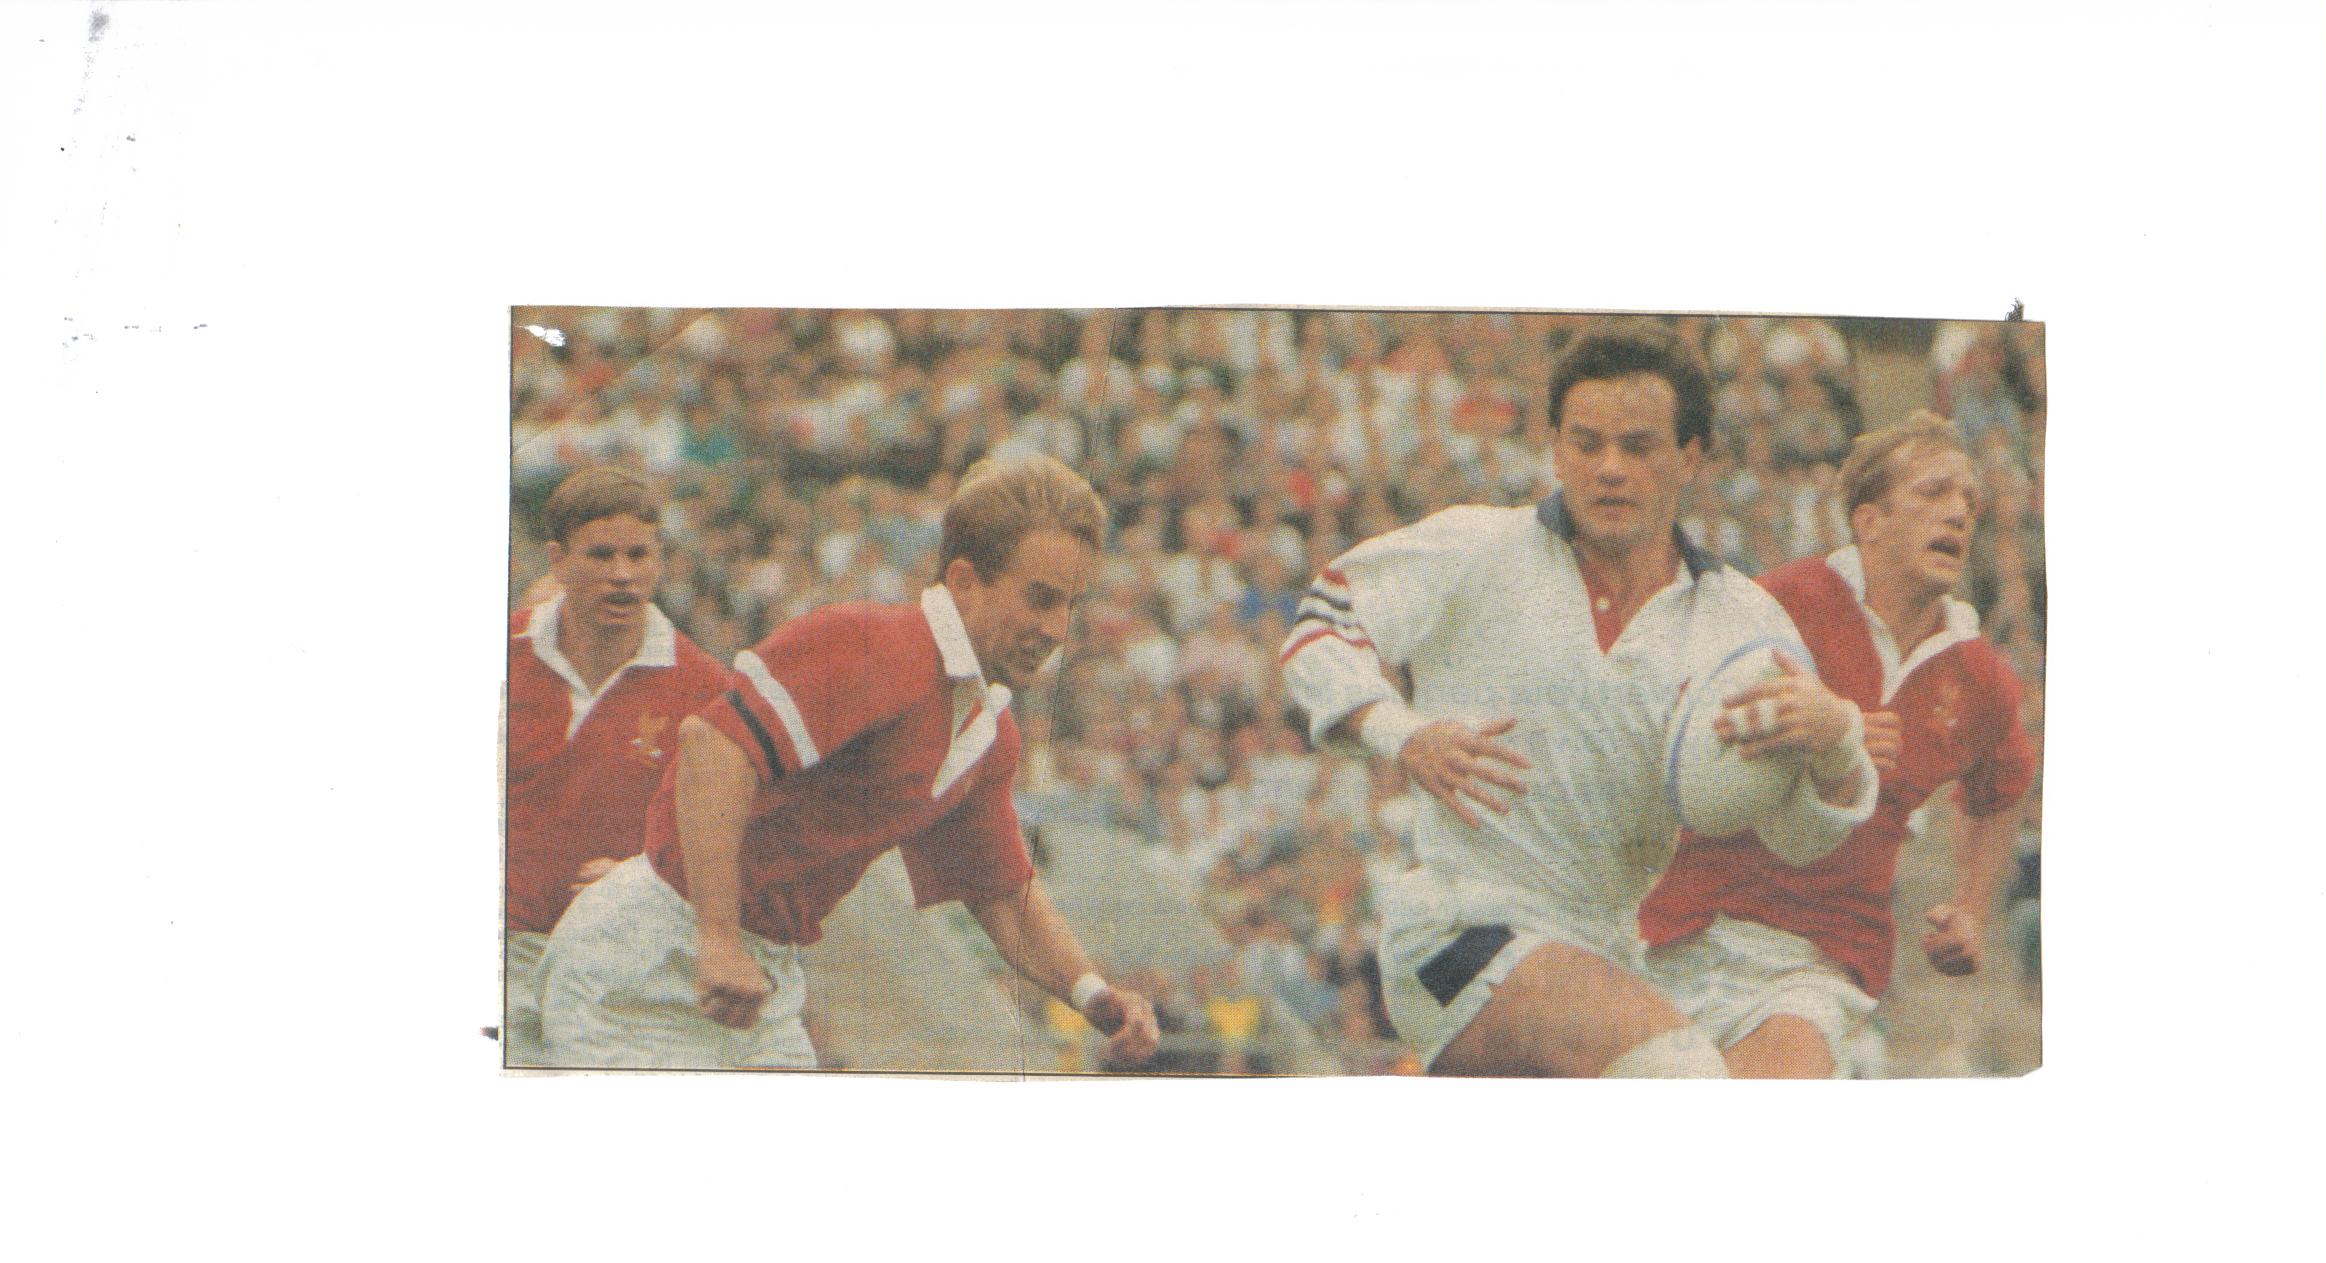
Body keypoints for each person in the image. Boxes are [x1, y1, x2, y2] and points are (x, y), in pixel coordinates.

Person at [1279, 331, 1878, 1077]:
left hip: (1611, 953)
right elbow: (1320, 623)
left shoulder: (1742, 624)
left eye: (1638, 446)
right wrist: (1402, 734)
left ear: (1690, 457)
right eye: (1587, 444)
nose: (1610, 468)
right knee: (1677, 1073)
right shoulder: (1476, 548)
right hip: (1457, 933)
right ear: (1556, 449)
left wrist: (1837, 742)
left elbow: (1798, 840)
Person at [539, 455, 1162, 1070]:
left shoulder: (988, 733)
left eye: (1070, 605)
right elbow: (713, 747)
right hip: (653, 957)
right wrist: (718, 937)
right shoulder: (875, 642)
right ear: (966, 582)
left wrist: (1094, 995)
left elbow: (1000, 893)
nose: (1058, 629)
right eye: (1041, 599)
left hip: (758, 977)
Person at [1638, 411, 2039, 1076]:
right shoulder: (1780, 601)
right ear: (1870, 522)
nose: (1959, 512)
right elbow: (1684, 726)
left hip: (1820, 955)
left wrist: (1970, 908)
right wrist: (1825, 736)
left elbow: (2002, 790)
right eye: (1934, 492)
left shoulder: (1982, 679)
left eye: (1970, 501)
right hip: (1687, 923)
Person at [506, 467, 729, 1064]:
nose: (623, 574)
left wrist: (642, 876)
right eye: (601, 555)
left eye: (639, 555)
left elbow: (731, 839)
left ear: (661, 562)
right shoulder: (504, 655)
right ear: (558, 560)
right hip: (503, 954)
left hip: (619, 968)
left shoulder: (704, 687)